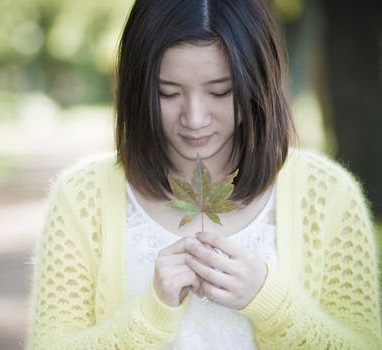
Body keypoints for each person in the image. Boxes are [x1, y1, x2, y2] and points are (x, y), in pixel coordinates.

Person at [25, 0, 381, 348]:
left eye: (220, 91)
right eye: (168, 92)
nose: (194, 118)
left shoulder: (327, 194)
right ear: (138, 89)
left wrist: (269, 301)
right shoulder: (82, 198)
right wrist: (151, 315)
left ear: (258, 81)